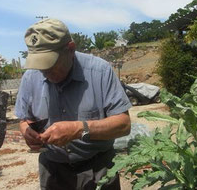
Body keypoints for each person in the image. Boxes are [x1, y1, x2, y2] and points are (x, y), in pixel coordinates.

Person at [15, 18, 132, 190]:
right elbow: (24, 120)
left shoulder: (100, 71)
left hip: (97, 169)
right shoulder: (31, 77)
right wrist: (27, 131)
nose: (45, 72)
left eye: (50, 63)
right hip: (53, 170)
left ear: (70, 49)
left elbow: (123, 125)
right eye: (39, 66)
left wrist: (79, 129)